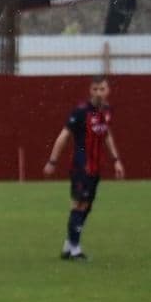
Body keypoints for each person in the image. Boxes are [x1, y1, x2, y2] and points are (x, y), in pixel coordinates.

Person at [43, 76, 125, 260]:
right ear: (90, 90)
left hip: (96, 167)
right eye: (95, 89)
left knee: (86, 206)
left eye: (102, 89)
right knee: (79, 204)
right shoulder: (81, 112)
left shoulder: (107, 111)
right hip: (81, 166)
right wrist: (52, 161)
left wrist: (116, 160)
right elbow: (64, 136)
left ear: (108, 90)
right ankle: (75, 249)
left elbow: (106, 134)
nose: (98, 93)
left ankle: (68, 246)